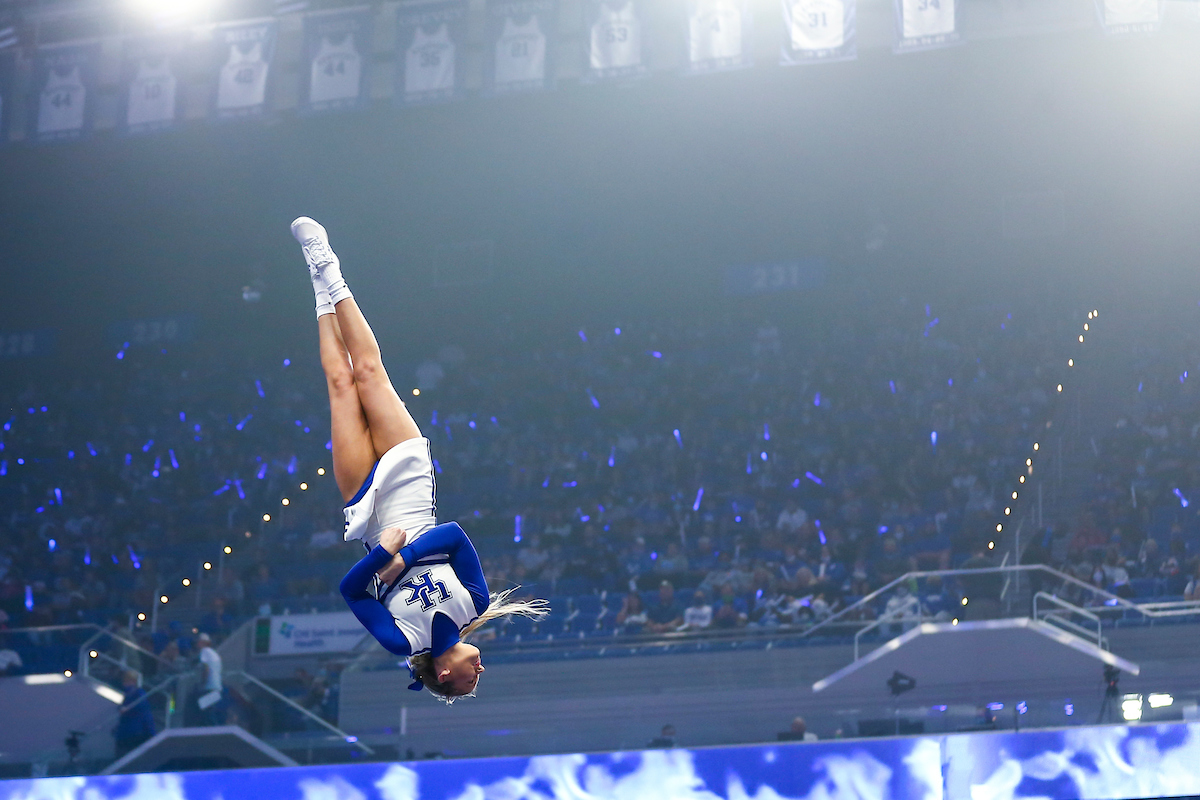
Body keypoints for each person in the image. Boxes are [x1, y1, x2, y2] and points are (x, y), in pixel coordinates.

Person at [292, 217, 547, 703]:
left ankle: (318, 288)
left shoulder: (400, 641)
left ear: (445, 677)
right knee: (369, 373)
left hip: (366, 508)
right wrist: (398, 558)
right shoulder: (472, 604)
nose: (481, 670)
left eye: (475, 680)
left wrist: (384, 555)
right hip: (411, 490)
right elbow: (454, 535)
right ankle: (329, 267)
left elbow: (350, 592)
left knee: (342, 388)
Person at [113, 671, 156, 757]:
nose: (125, 683)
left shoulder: (139, 693)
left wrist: (128, 709)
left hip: (137, 730)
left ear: (133, 681)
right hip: (128, 730)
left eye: (127, 681)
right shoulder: (128, 694)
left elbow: (141, 706)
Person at [195, 632, 225, 725]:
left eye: (199, 642)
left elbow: (206, 669)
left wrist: (202, 682)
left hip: (209, 687)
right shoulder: (214, 653)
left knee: (206, 712)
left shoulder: (205, 651)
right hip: (217, 687)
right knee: (209, 711)